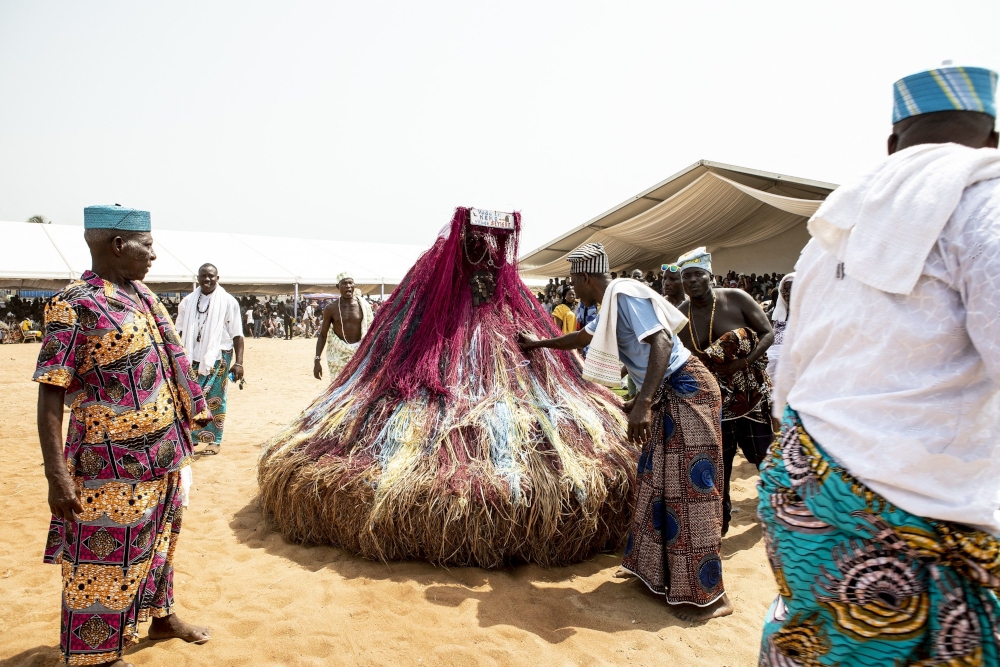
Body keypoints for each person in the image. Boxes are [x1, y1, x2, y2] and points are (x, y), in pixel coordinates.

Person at [759, 66, 1000, 666]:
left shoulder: (832, 233)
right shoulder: (985, 206)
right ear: (993, 137)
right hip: (924, 503)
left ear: (892, 143)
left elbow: (786, 370)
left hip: (807, 486)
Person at [34, 205, 211, 667]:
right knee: (101, 560)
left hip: (164, 452)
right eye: (147, 245)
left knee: (159, 543)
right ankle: (97, 656)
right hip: (108, 463)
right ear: (118, 245)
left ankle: (160, 614)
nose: (153, 254)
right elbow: (51, 391)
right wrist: (56, 474)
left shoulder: (140, 295)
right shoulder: (73, 304)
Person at [519, 242, 732, 622]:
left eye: (572, 279)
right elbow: (582, 338)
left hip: (687, 391)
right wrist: (538, 344)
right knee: (655, 481)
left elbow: (662, 342)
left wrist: (644, 402)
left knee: (691, 491)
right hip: (667, 393)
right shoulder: (610, 305)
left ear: (585, 277)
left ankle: (711, 596)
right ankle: (653, 574)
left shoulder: (625, 292)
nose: (570, 287)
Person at [675, 248, 773, 536]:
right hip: (714, 403)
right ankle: (721, 524)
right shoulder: (681, 315)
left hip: (751, 396)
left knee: (764, 458)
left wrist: (745, 361)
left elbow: (767, 333)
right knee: (721, 466)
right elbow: (680, 358)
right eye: (687, 277)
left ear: (710, 276)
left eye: (698, 275)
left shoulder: (735, 298)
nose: (692, 281)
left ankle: (779, 512)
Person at [176, 263, 245, 454]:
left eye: (211, 276)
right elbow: (178, 331)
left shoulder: (229, 302)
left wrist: (239, 363)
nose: (207, 279)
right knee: (193, 398)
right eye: (203, 276)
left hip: (219, 357)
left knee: (215, 398)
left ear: (217, 278)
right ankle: (195, 437)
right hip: (192, 357)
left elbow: (238, 335)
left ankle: (215, 440)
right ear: (197, 278)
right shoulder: (188, 302)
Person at [314, 271, 374, 380]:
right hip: (339, 356)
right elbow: (322, 335)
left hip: (361, 354)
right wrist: (317, 360)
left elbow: (373, 331)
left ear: (354, 285)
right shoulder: (331, 308)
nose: (348, 286)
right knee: (339, 389)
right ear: (338, 286)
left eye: (351, 283)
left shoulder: (364, 306)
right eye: (344, 283)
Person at [764, 273, 794, 391]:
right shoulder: (778, 315)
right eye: (784, 290)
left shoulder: (810, 314)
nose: (787, 294)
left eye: (792, 289)